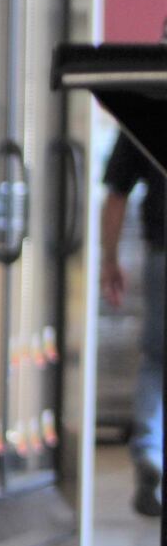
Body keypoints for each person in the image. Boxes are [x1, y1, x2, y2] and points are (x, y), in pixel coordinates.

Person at [100, 132, 165, 517]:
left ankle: (150, 450)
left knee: (157, 358)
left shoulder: (144, 99)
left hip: (162, 252)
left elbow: (116, 193)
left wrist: (109, 259)